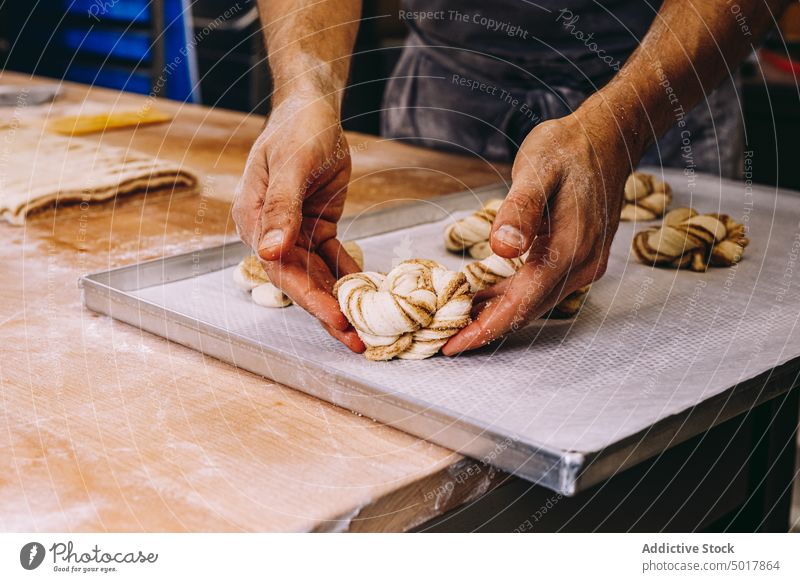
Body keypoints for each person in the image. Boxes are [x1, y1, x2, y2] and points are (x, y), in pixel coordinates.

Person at [233, 0, 788, 355]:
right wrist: (306, 91)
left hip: (664, 80)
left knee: (694, 354)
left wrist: (622, 126)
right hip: (448, 80)